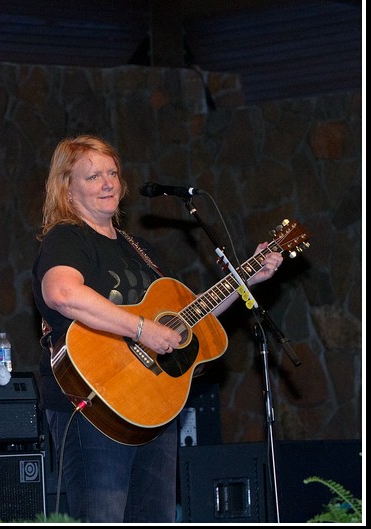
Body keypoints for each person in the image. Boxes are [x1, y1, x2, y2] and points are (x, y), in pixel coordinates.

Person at [31, 134, 283, 522]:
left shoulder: (139, 250)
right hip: (94, 404)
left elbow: (192, 323)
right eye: (93, 176)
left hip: (152, 410)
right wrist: (140, 329)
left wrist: (247, 278)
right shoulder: (67, 237)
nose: (108, 183)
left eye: (112, 173)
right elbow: (62, 293)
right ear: (67, 188)